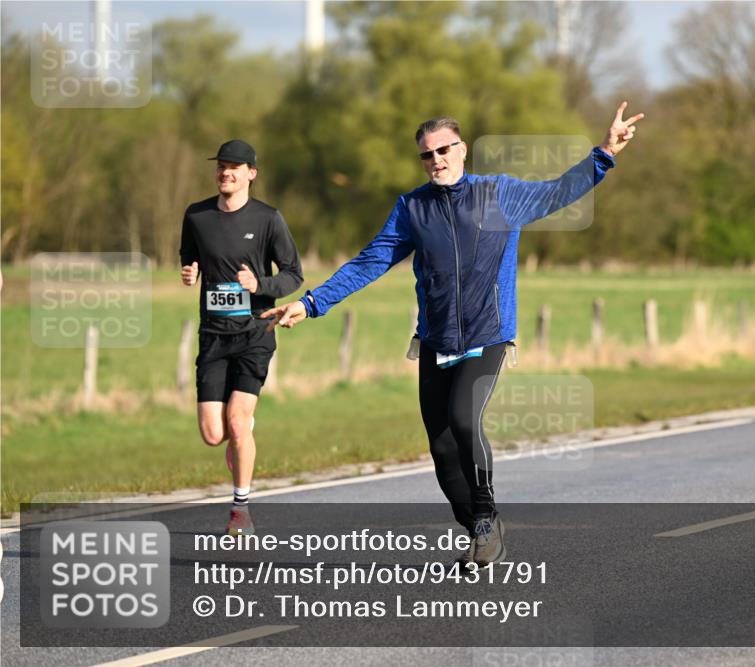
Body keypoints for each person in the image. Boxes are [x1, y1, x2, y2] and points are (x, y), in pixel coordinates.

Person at [262, 103, 643, 566]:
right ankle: (480, 527)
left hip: (489, 334)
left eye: (445, 150)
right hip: (436, 340)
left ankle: (485, 517)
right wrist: (311, 302)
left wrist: (603, 153)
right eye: (427, 155)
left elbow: (559, 192)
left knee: (465, 420)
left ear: (462, 150)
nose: (437, 160)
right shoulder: (412, 209)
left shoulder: (500, 194)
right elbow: (369, 262)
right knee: (441, 448)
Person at [180, 139, 304, 536]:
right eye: (221, 166)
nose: (226, 172)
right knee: (214, 434)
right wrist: (189, 273)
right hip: (214, 336)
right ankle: (240, 438)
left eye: (235, 167)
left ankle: (240, 510)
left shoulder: (268, 219)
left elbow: (293, 275)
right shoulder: (196, 215)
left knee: (236, 420)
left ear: (252, 173)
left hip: (255, 331)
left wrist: (260, 284)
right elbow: (189, 257)